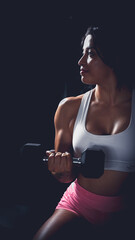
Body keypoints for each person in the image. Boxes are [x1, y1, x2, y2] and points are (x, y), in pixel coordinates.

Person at [33, 24, 135, 240]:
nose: (80, 62)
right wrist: (59, 169)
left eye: (91, 54)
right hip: (79, 205)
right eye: (82, 54)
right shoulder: (69, 108)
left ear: (114, 56)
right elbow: (65, 176)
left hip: (127, 210)